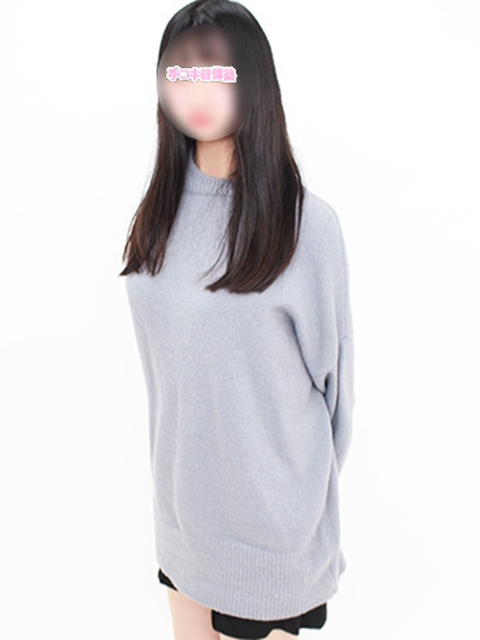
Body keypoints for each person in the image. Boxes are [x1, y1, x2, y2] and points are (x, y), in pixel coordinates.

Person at [120, 1, 356, 638]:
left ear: (253, 80)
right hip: (183, 518)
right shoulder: (157, 216)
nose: (196, 92)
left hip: (270, 533)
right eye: (180, 73)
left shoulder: (307, 226)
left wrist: (292, 503)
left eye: (215, 73)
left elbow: (337, 396)